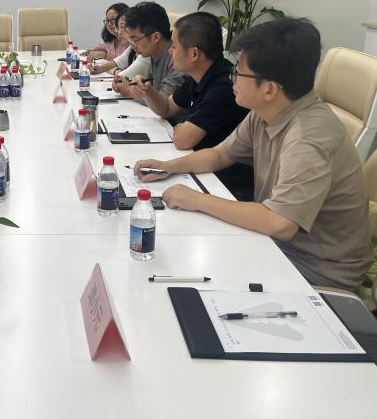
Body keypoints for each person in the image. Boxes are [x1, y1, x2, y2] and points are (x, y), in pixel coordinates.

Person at [135, 18, 371, 291]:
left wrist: (197, 200)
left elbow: (280, 223)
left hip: (315, 270)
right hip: (275, 245)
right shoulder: (267, 112)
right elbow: (219, 155)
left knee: (181, 272)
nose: (232, 79)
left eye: (239, 73)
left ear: (269, 89)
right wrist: (168, 166)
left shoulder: (308, 138)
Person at [131, 12, 253, 199]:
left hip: (224, 183)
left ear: (194, 53)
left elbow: (182, 141)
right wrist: (148, 92)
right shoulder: (198, 75)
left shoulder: (224, 86)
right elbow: (167, 108)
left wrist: (182, 129)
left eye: (174, 46)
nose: (170, 52)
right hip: (200, 166)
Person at [111, 2, 186, 100]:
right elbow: (150, 88)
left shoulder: (178, 57)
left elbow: (165, 100)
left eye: (134, 39)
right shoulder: (155, 53)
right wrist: (128, 84)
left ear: (156, 37)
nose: (132, 44)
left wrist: (129, 91)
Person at [91, 7, 151, 79]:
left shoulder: (147, 52)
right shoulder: (132, 45)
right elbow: (120, 61)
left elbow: (121, 78)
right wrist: (100, 68)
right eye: (118, 28)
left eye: (122, 27)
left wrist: (114, 71)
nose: (119, 32)